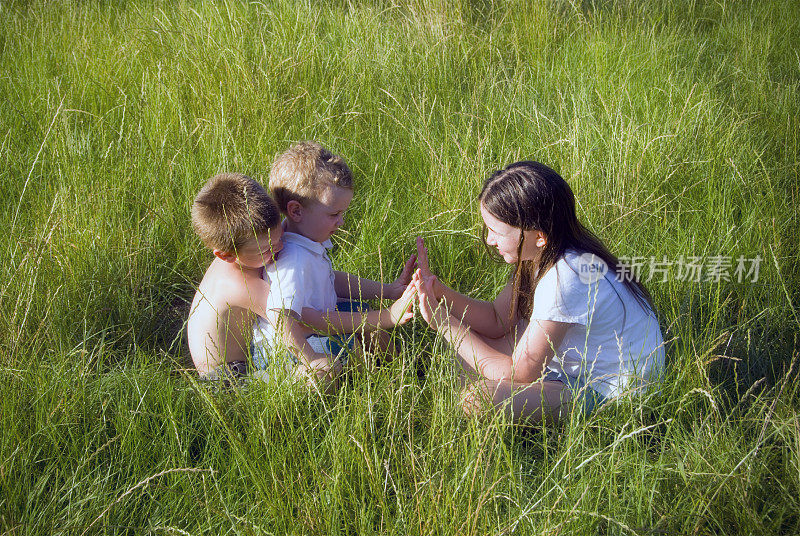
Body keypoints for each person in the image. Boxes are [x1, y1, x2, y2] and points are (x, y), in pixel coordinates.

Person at [413, 161, 664, 423]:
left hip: (609, 390)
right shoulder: (544, 254)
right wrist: (439, 291)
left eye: (495, 231)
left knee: (477, 398)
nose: (489, 240)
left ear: (539, 236)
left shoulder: (566, 277)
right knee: (464, 354)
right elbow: (498, 320)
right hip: (572, 364)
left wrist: (443, 324)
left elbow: (518, 375)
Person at [252, 141, 417, 378]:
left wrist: (389, 291)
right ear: (296, 211)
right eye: (334, 214)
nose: (341, 222)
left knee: (362, 313)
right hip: (287, 349)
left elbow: (331, 280)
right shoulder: (292, 260)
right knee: (342, 357)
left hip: (313, 326)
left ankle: (404, 370)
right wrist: (311, 360)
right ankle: (372, 385)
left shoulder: (307, 236)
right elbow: (281, 320)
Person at [187, 172, 322, 380]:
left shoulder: (246, 253)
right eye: (266, 249)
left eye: (279, 238)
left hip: (251, 354)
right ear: (227, 255)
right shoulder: (237, 284)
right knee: (322, 371)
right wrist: (379, 318)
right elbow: (298, 320)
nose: (280, 248)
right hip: (230, 378)